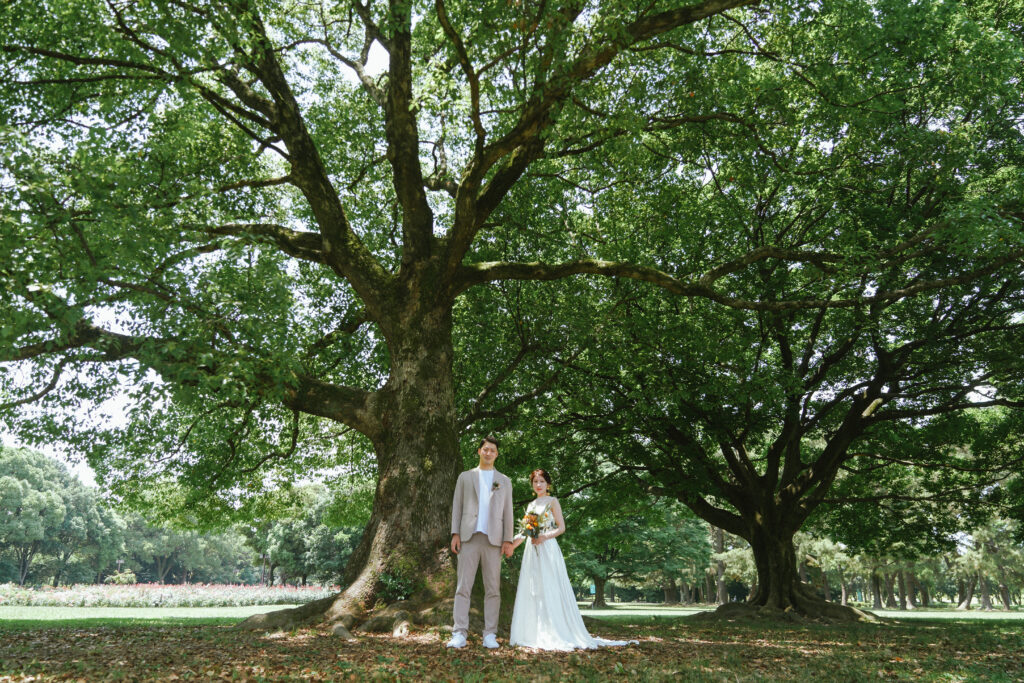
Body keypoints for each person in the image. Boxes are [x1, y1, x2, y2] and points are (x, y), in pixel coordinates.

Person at [508, 469, 636, 650]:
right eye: (535, 481)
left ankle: (555, 630)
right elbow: (526, 531)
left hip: (547, 547)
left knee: (550, 586)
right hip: (532, 550)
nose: (538, 484)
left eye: (542, 481)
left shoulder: (553, 502)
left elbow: (561, 528)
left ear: (548, 484)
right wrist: (512, 545)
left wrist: (545, 537)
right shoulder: (530, 505)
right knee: (534, 588)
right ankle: (534, 631)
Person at [447, 435, 514, 650]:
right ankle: (459, 633)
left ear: (497, 454)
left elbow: (508, 512)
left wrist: (508, 540)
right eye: (485, 449)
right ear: (479, 451)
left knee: (493, 589)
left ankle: (490, 634)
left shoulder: (504, 480)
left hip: (493, 541)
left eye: (492, 450)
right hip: (469, 537)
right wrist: (455, 533)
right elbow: (457, 506)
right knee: (462, 587)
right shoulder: (465, 477)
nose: (488, 453)